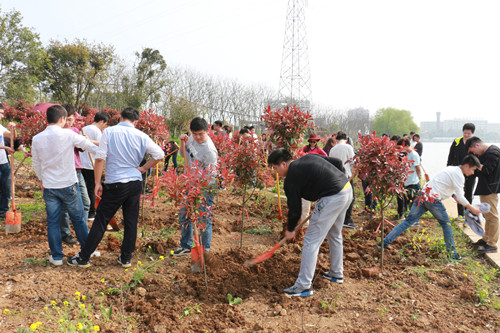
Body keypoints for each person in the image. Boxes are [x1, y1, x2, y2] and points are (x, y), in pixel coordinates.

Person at [67, 108, 164, 267]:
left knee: (101, 221)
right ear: (136, 121)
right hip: (134, 183)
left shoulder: (110, 132)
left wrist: (97, 183)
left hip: (116, 183)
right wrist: (144, 168)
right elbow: (159, 154)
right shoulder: (141, 135)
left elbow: (100, 158)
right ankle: (125, 258)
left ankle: (83, 258)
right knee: (131, 222)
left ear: (120, 118)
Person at [268, 148, 352, 297]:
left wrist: (291, 229)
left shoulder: (291, 178)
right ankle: (336, 273)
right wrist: (333, 183)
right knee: (335, 233)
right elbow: (337, 163)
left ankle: (303, 285)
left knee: (311, 241)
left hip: (333, 197)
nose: (276, 173)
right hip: (346, 189)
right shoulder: (307, 158)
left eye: (275, 168)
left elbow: (295, 209)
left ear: (283, 164)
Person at [381, 155, 482, 261]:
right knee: (446, 224)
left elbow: (445, 187)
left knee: (408, 221)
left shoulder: (451, 169)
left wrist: (455, 197)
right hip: (432, 199)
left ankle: (384, 242)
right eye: (473, 169)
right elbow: (460, 196)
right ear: (466, 166)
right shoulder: (459, 175)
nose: (473, 173)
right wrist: (472, 208)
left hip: (422, 195)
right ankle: (452, 254)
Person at [32, 105, 98, 266]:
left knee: (53, 221)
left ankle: (56, 257)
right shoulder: (68, 134)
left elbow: (36, 163)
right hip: (69, 184)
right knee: (78, 219)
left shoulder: (37, 138)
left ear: (47, 118)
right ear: (62, 119)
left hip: (49, 186)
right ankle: (87, 251)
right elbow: (91, 147)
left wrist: (42, 179)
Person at [172, 117, 218, 256]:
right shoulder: (190, 138)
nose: (197, 137)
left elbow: (209, 176)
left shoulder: (209, 151)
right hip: (190, 182)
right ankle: (186, 246)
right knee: (184, 214)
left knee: (204, 217)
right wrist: (182, 142)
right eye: (195, 134)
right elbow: (182, 153)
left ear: (207, 131)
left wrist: (196, 189)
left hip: (205, 185)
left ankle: (205, 251)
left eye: (201, 134)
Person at [59, 104, 91, 245]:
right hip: (65, 171)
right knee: (65, 206)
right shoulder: (57, 132)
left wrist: (83, 140)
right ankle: (65, 234)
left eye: (72, 120)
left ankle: (82, 232)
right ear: (62, 118)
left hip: (77, 170)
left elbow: (82, 147)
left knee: (86, 202)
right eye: (68, 120)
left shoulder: (75, 131)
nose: (69, 123)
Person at [466, 137, 500, 253]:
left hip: (490, 188)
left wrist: (475, 163)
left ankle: (492, 244)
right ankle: (486, 239)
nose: (474, 153)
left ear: (477, 145)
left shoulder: (493, 152)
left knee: (492, 216)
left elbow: (487, 170)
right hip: (485, 187)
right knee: (486, 216)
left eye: (473, 151)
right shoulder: (487, 153)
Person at [80, 111, 109, 221]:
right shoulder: (96, 131)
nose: (104, 127)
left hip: (81, 164)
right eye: (105, 124)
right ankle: (91, 212)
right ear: (101, 121)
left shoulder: (83, 129)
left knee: (83, 188)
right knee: (92, 188)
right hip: (91, 164)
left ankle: (84, 210)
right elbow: (103, 144)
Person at [447, 123, 477, 219]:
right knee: (458, 192)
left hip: (470, 173)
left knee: (469, 192)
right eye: (465, 133)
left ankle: (468, 214)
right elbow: (450, 156)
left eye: (469, 133)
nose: (466, 135)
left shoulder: (476, 143)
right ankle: (460, 214)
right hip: (457, 172)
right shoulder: (456, 142)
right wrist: (448, 168)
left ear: (472, 133)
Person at [329, 131, 357, 228]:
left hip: (335, 177)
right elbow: (353, 162)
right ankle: (346, 220)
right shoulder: (348, 147)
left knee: (337, 198)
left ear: (336, 139)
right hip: (346, 177)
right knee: (350, 198)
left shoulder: (332, 149)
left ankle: (336, 219)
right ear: (346, 139)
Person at [395, 138, 422, 220]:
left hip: (413, 183)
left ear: (406, 145)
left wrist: (419, 179)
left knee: (413, 204)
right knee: (406, 203)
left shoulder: (414, 155)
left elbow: (418, 168)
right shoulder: (407, 154)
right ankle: (408, 218)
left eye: (401, 147)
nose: (401, 150)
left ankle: (414, 220)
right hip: (406, 182)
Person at [0, 104, 16, 220]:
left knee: (6, 188)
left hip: (4, 162)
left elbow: (12, 137)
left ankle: (3, 211)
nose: (2, 116)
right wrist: (6, 148)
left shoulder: (0, 127)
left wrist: (13, 129)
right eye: (0, 113)